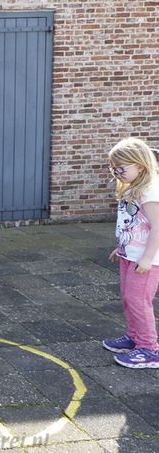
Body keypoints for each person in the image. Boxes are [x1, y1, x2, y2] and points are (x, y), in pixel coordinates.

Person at [102, 137, 159, 368]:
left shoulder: (150, 191)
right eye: (113, 168)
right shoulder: (132, 189)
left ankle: (150, 348)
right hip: (130, 255)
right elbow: (133, 224)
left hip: (146, 259)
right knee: (129, 299)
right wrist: (122, 248)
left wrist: (147, 258)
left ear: (140, 166)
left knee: (138, 300)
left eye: (121, 168)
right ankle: (135, 338)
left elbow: (157, 226)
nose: (116, 172)